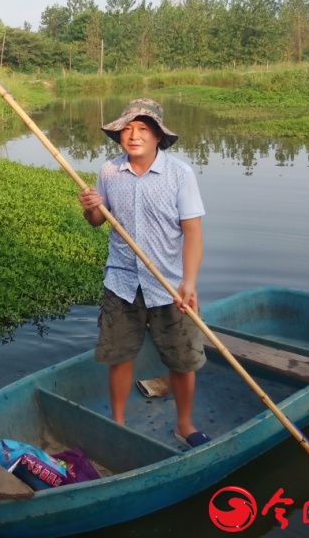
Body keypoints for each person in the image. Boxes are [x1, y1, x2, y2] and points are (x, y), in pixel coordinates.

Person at [77, 98, 210, 448]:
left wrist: (189, 282)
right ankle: (118, 423)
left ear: (157, 137)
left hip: (169, 285)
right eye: (128, 129)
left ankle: (184, 424)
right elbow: (97, 222)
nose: (133, 135)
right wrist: (91, 209)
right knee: (119, 356)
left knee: (183, 360)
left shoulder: (179, 174)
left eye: (143, 129)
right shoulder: (109, 171)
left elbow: (193, 232)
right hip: (122, 282)